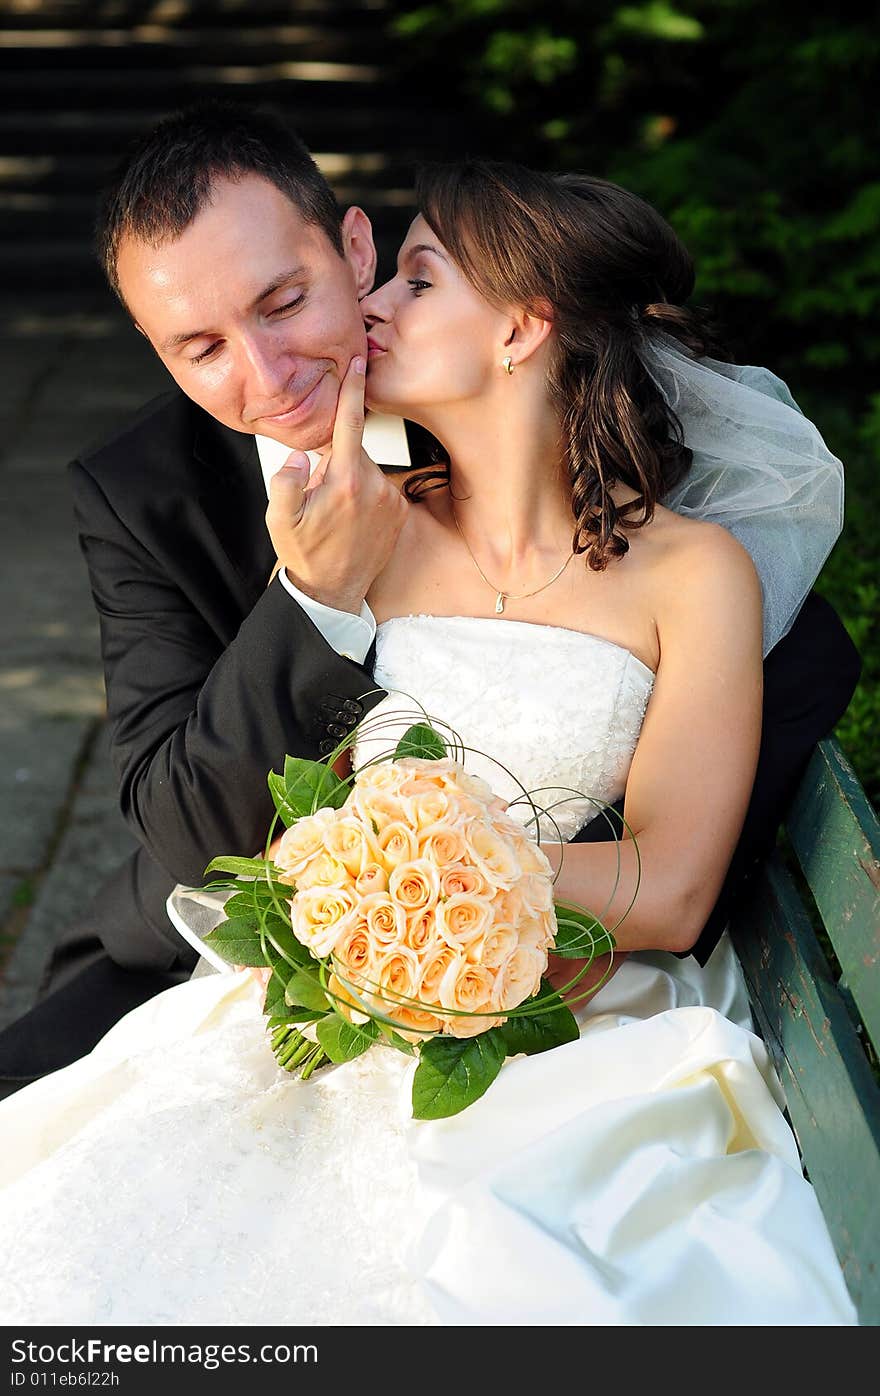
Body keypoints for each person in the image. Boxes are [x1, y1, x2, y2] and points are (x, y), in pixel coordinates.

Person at [0, 156, 858, 1325]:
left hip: (560, 999)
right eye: (199, 344)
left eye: (413, 280)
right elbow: (219, 815)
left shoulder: (691, 571)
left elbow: (671, 881)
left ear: (519, 329)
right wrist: (362, 899)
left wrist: (440, 892)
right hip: (313, 979)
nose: (373, 316)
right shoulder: (360, 527)